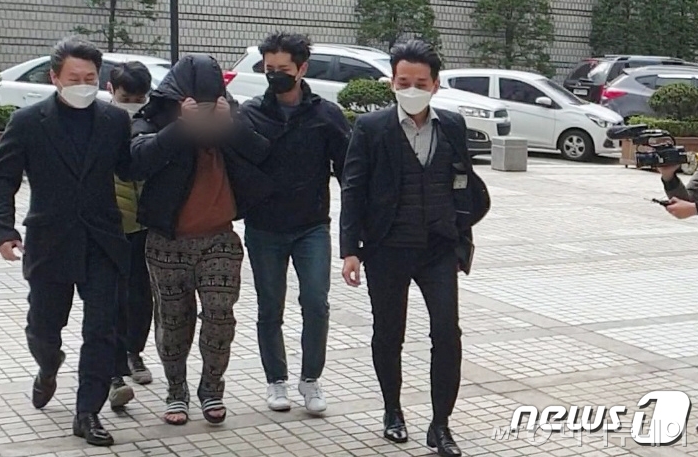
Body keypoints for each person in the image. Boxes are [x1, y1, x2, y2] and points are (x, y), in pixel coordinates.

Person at [339, 39, 490, 457]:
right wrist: (350, 249)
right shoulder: (371, 128)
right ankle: (393, 411)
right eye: (403, 81)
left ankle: (440, 425)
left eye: (420, 83)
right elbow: (353, 189)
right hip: (387, 248)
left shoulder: (452, 125)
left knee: (447, 333)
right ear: (391, 82)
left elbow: (464, 184)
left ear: (435, 85)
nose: (411, 89)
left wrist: (462, 239)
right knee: (389, 333)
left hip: (438, 247)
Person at [0, 37, 139, 446]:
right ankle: (48, 365)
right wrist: (3, 231)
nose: (83, 85)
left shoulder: (113, 120)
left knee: (101, 329)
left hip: (102, 241)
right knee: (43, 328)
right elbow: (1, 179)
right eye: (74, 78)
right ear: (55, 78)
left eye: (90, 78)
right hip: (50, 240)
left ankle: (87, 412)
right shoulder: (28, 122)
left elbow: (129, 167)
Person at [129, 54, 273, 426]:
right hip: (167, 240)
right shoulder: (155, 117)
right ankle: (176, 391)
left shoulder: (230, 117)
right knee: (173, 320)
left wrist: (229, 126)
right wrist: (181, 126)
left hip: (220, 237)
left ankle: (211, 389)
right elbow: (136, 160)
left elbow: (263, 154)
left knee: (220, 317)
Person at [238, 32, 350, 414]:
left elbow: (349, 171)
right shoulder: (250, 114)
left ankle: (311, 379)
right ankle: (276, 380)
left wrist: (358, 228)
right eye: (268, 68)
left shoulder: (325, 115)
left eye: (282, 68)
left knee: (316, 302)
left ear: (302, 69)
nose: (274, 75)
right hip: (264, 227)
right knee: (270, 307)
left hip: (311, 226)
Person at [106, 61, 154, 411]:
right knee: (112, 297)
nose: (133, 105)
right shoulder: (101, 122)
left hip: (147, 223)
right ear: (111, 90)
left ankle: (134, 352)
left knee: (141, 295)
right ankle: (115, 367)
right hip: (110, 225)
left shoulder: (154, 122)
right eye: (126, 98)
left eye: (139, 99)